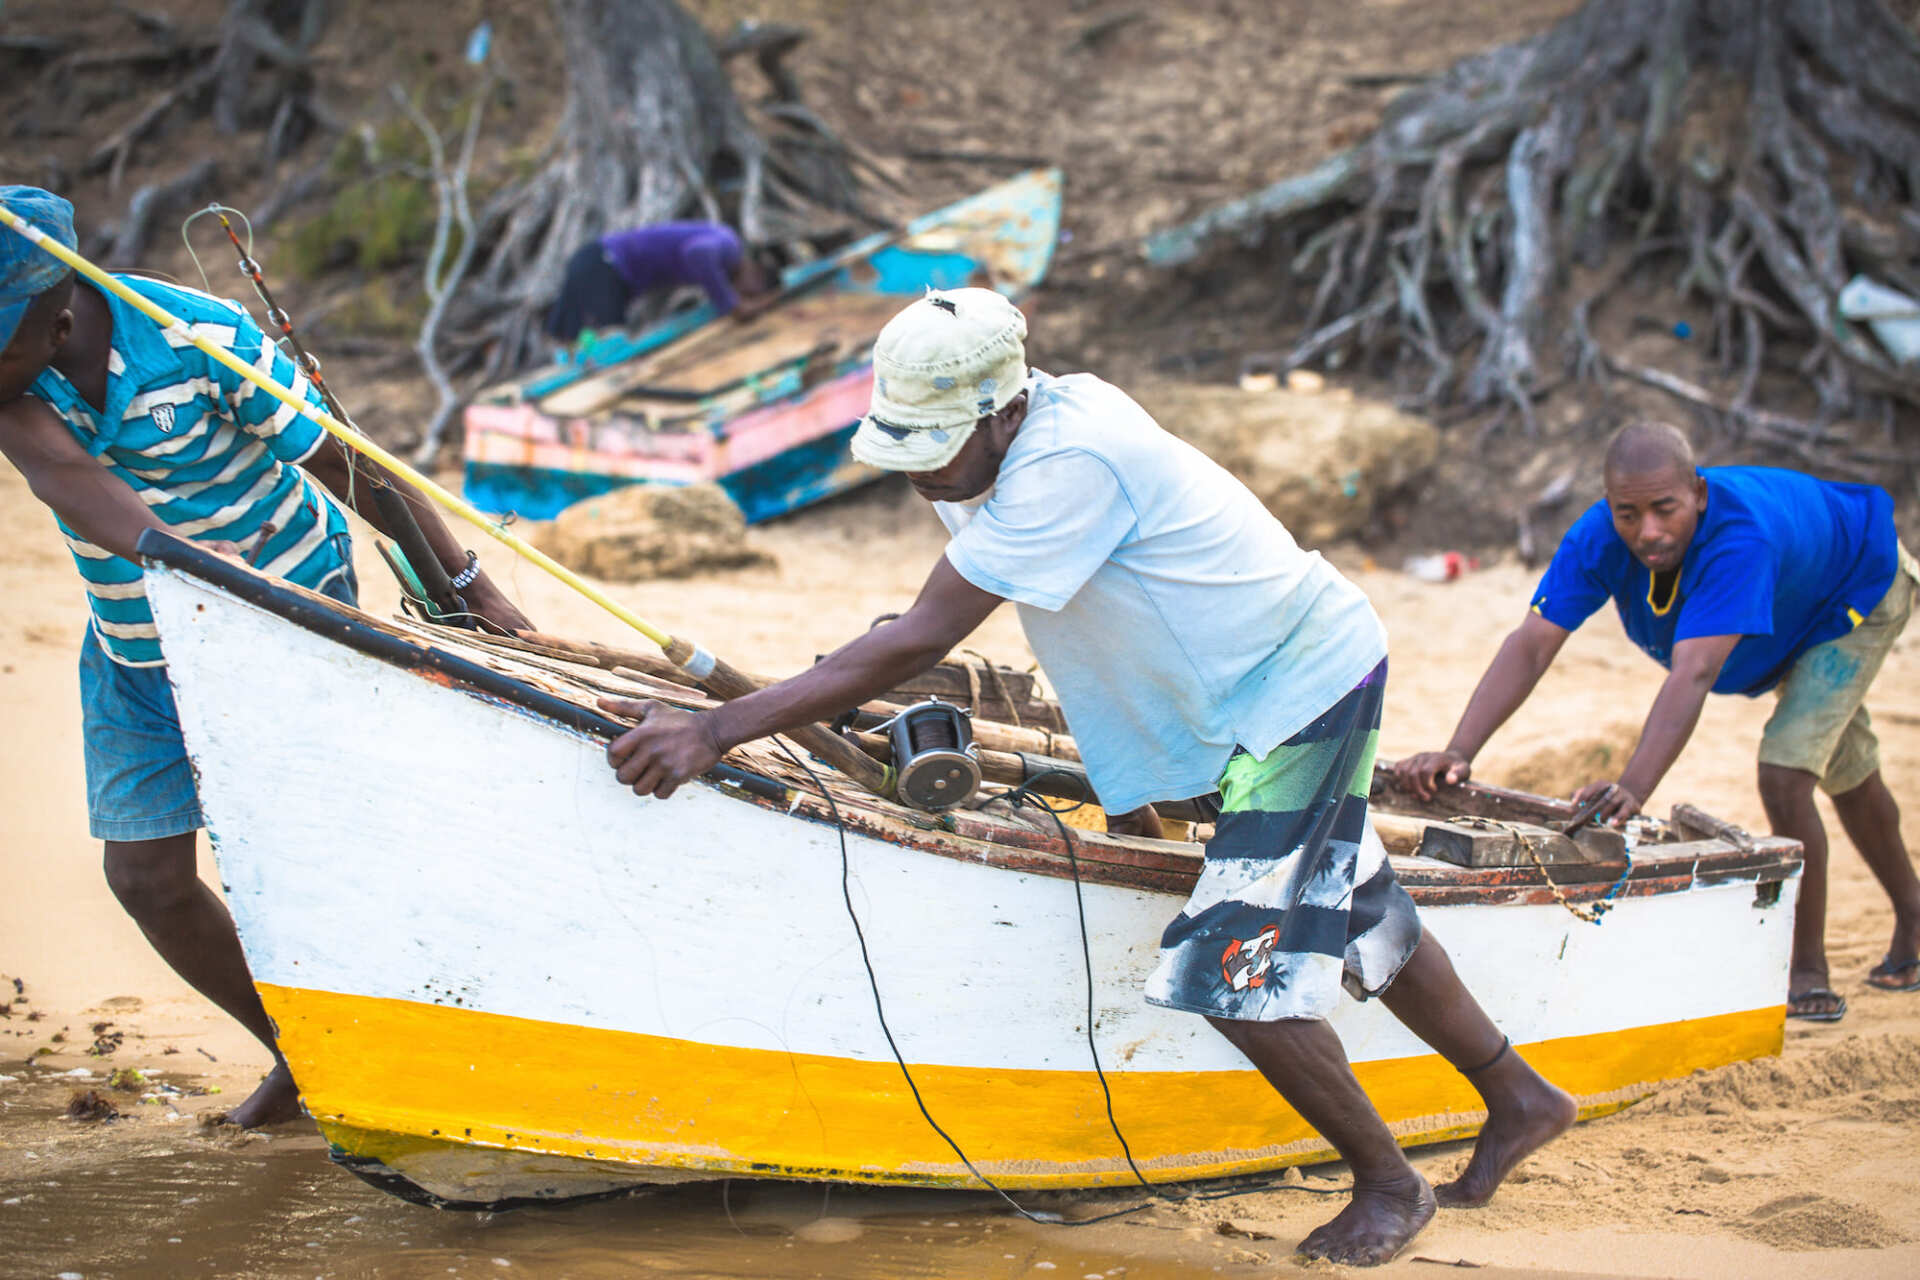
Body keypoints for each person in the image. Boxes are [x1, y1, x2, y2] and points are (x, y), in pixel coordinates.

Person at [594, 288, 1575, 1267]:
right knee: (1356, 898)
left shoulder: (1072, 460)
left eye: (931, 447)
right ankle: (1521, 1095)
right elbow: (926, 615)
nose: (919, 473)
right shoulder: (985, 447)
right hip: (1222, 689)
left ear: (1006, 409)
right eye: (903, 447)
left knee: (1232, 975)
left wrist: (717, 729)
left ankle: (1389, 1185)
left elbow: (923, 635)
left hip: (1295, 686)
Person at [0, 187, 533, 1126]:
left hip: (288, 628)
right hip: (140, 641)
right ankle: (304, 1056)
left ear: (57, 313)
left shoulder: (198, 335)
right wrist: (197, 568)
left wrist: (463, 584)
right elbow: (70, 479)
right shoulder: (13, 392)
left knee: (299, 856)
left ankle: (392, 1040)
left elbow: (345, 461)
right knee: (148, 879)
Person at [1396, 421, 1920, 1025]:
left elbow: (1693, 673)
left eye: (1665, 509)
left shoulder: (1739, 539)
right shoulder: (1598, 536)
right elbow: (1534, 643)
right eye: (1628, 513)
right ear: (1608, 506)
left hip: (1858, 586)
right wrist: (1458, 751)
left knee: (1786, 775)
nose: (1647, 531)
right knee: (1847, 774)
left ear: (1698, 493)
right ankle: (1912, 916)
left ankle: (1807, 972)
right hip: (1797, 601)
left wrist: (1632, 790)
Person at [543, 220, 777, 343]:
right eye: (751, 292)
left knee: (566, 334)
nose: (745, 294)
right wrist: (730, 305)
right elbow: (697, 253)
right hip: (605, 263)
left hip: (594, 261)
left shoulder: (724, 257)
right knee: (613, 342)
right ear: (756, 274)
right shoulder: (730, 247)